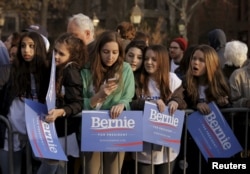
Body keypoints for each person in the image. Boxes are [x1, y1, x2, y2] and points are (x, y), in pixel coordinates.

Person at [81, 30, 135, 174]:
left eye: (114, 52)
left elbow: (128, 95)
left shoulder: (126, 69)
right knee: (91, 170)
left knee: (113, 171)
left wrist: (122, 104)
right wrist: (99, 95)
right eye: (106, 51)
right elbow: (80, 101)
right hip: (92, 128)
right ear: (99, 51)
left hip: (116, 127)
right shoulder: (86, 70)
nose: (110, 57)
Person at [130, 44, 187, 174]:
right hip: (142, 147)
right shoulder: (137, 80)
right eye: (146, 59)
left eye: (154, 59)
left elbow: (182, 99)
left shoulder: (172, 79)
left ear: (162, 61)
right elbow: (131, 104)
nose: (149, 63)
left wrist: (175, 101)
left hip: (167, 148)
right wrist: (148, 103)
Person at [0, 31, 50, 174]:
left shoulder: (47, 74)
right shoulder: (9, 71)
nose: (26, 50)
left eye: (31, 46)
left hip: (37, 135)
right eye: (23, 46)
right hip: (11, 134)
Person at [36, 33, 87, 174]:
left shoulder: (70, 71)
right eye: (55, 51)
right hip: (54, 130)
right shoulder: (55, 68)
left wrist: (60, 111)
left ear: (72, 56)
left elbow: (78, 103)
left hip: (63, 131)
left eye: (61, 53)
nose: (56, 56)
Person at [183, 44, 230, 173]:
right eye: (194, 58)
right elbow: (182, 103)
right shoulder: (185, 83)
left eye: (201, 60)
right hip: (192, 142)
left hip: (214, 143)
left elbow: (230, 114)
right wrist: (195, 105)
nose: (195, 62)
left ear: (211, 64)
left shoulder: (221, 85)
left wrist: (224, 103)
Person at [122, 39, 147, 174]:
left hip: (141, 135)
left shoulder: (146, 78)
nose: (134, 60)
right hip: (120, 131)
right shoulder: (118, 74)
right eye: (130, 55)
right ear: (124, 55)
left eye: (139, 57)